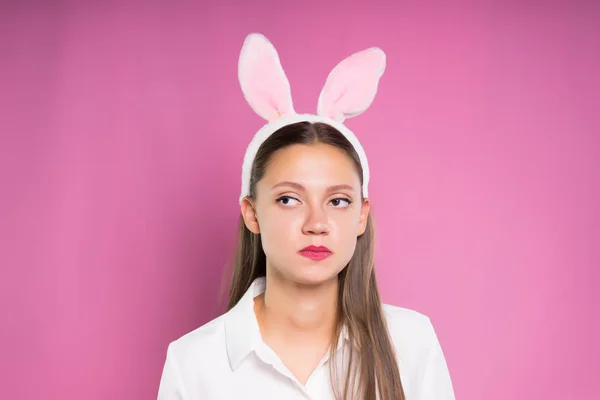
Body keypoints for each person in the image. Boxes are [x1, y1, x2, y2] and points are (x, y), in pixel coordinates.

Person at [157, 33, 455, 400]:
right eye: (288, 199)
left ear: (361, 216)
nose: (316, 223)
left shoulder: (412, 344)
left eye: (338, 201)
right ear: (252, 213)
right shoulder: (193, 363)